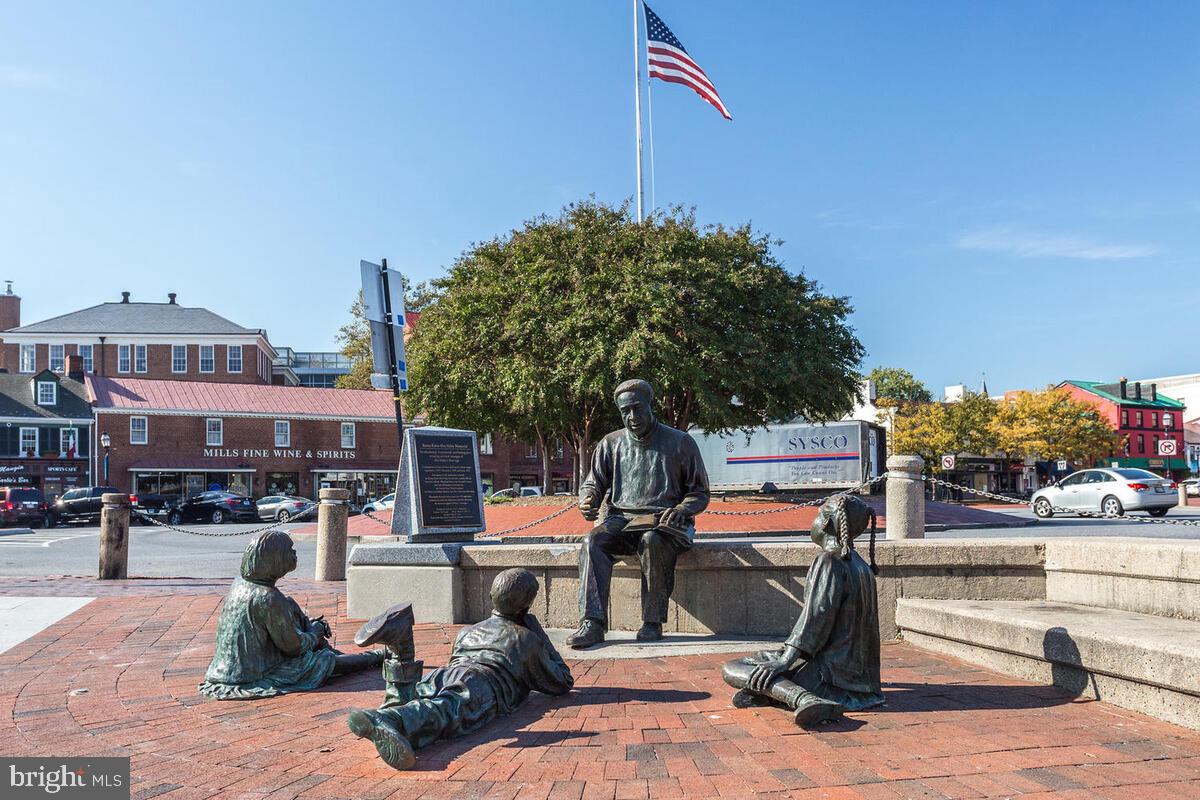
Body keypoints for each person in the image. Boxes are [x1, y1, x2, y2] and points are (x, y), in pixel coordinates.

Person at [347, 568, 574, 770]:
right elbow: (562, 681)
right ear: (525, 606)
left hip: (444, 674)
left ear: (491, 597)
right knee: (446, 710)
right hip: (481, 683)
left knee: (416, 699)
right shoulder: (524, 639)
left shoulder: (466, 631)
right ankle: (389, 717)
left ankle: (401, 653)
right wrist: (539, 634)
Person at [566, 379, 710, 649]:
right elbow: (593, 482)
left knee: (651, 541)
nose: (632, 417)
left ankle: (652, 621)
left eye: (637, 408)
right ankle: (592, 622)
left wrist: (681, 509)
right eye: (625, 411)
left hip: (666, 524)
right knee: (591, 542)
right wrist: (588, 499)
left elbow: (700, 492)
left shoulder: (681, 442)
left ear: (649, 405)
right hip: (622, 521)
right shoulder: (610, 444)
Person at [721, 494, 884, 727]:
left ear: (827, 524)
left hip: (829, 677)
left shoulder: (828, 561)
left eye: (818, 515)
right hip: (859, 680)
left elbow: (816, 619)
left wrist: (785, 661)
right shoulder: (861, 566)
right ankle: (770, 691)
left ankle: (803, 698)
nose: (814, 521)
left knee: (732, 668)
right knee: (759, 662)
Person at [198, 530, 384, 700]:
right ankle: (373, 657)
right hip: (252, 675)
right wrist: (315, 632)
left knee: (292, 607)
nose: (294, 554)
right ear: (275, 559)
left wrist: (304, 623)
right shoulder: (267, 597)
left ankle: (343, 655)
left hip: (227, 669)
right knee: (321, 661)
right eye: (290, 550)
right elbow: (294, 647)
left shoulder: (240, 585)